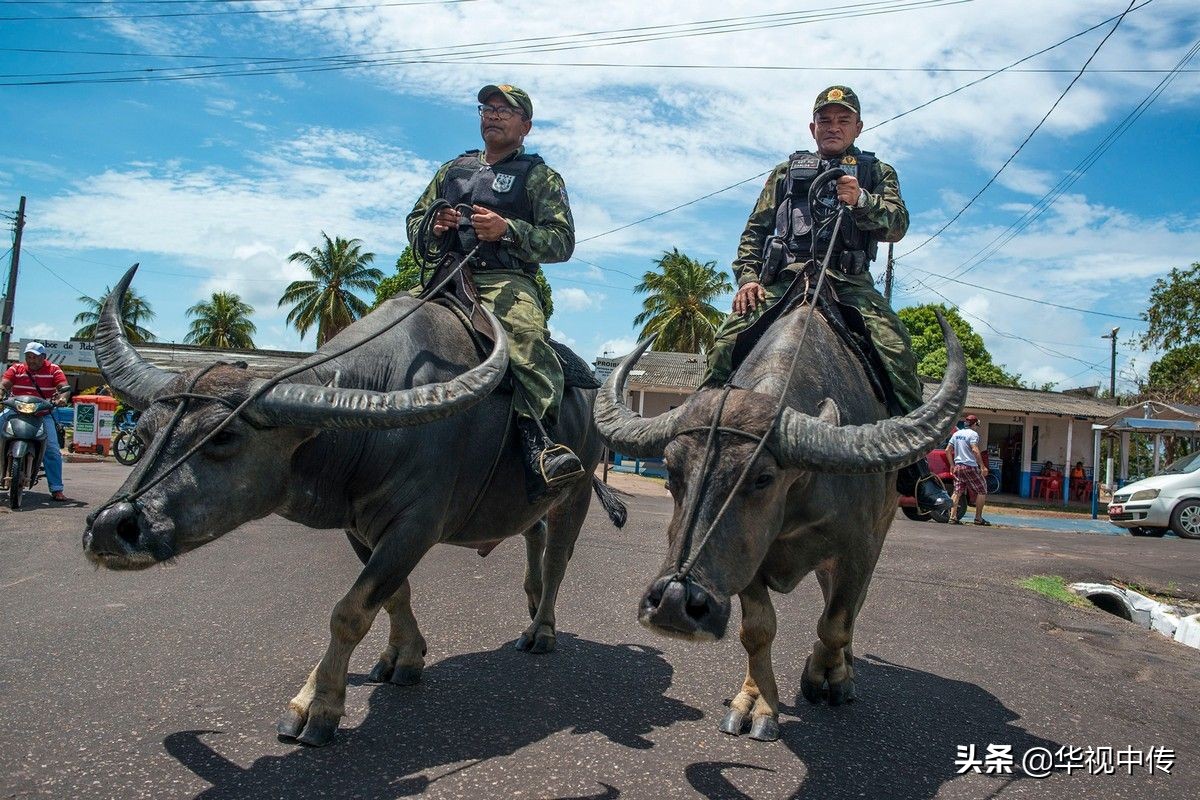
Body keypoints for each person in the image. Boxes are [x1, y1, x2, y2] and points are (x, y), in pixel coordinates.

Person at [702, 84, 950, 515]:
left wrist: (863, 201)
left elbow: (897, 225)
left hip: (849, 282)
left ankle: (914, 467)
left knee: (897, 352)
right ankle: (698, 435)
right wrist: (748, 280)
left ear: (858, 127)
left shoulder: (877, 171)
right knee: (725, 342)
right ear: (812, 127)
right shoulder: (784, 173)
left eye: (843, 120)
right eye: (825, 120)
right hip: (786, 279)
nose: (833, 127)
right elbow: (754, 232)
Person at [406, 84, 581, 502]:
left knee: (527, 340)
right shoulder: (452, 170)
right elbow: (415, 221)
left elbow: (562, 242)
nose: (494, 115)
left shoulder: (540, 177)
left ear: (525, 126)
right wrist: (434, 226)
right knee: (388, 320)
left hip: (505, 280)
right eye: (488, 108)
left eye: (505, 110)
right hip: (444, 276)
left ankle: (538, 444)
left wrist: (508, 229)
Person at [0, 342, 70, 501]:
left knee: (52, 449)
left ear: (43, 357)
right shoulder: (16, 368)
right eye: (28, 357)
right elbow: (4, 384)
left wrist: (62, 398)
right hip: (15, 411)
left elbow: (63, 387)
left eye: (35, 357)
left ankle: (56, 488)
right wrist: (1, 391)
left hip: (42, 414)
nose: (31, 360)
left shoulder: (54, 369)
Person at [946, 414, 990, 526]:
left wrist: (952, 465)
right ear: (974, 424)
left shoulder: (956, 434)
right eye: (976, 425)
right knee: (982, 490)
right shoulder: (973, 434)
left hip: (958, 467)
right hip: (970, 466)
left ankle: (952, 517)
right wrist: (982, 466)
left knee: (957, 492)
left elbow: (947, 450)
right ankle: (978, 518)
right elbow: (975, 449)